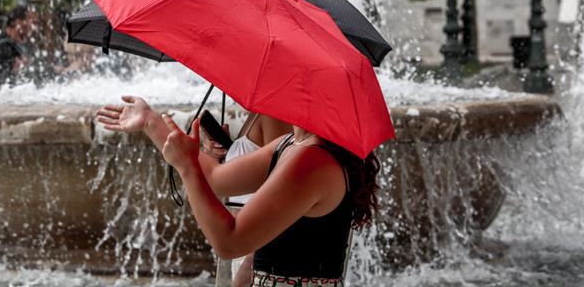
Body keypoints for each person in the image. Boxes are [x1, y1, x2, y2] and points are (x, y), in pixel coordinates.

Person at [96, 96, 381, 286]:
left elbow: (229, 242)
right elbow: (216, 177)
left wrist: (186, 168)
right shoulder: (292, 144)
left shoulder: (311, 159)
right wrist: (150, 122)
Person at [201, 112, 293, 286]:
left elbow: (281, 198)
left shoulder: (275, 116)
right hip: (246, 248)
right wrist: (219, 156)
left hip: (258, 253)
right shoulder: (259, 113)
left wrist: (250, 262)